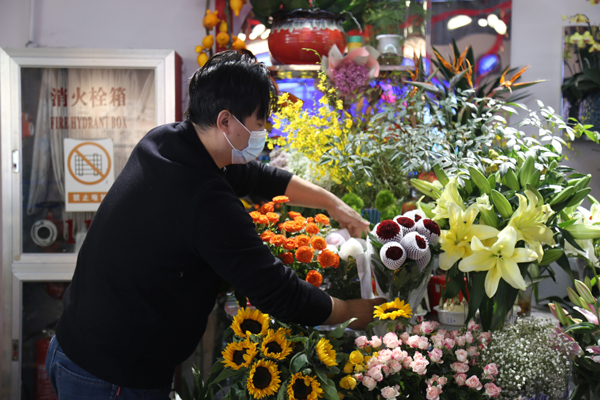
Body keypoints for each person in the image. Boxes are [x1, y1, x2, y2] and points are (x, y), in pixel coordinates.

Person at [46, 51, 383, 399]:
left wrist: (333, 204)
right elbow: (275, 290)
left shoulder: (166, 142)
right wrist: (349, 311)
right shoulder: (205, 199)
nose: (263, 131)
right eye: (259, 121)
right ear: (226, 121)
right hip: (110, 375)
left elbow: (256, 176)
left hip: (74, 342)